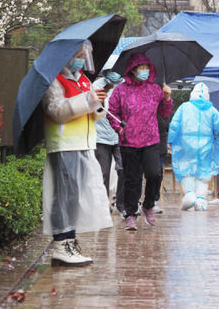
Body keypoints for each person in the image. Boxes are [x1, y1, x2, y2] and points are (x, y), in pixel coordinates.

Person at [41, 40, 113, 266]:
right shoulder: (54, 79)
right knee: (64, 194)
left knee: (75, 195)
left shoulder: (83, 80)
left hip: (84, 143)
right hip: (65, 143)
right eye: (78, 55)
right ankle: (60, 243)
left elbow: (94, 113)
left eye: (84, 56)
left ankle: (70, 240)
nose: (82, 60)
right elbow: (55, 110)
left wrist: (99, 102)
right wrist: (87, 100)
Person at [107, 52, 173, 231]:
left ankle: (148, 205)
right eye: (141, 68)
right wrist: (119, 129)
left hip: (150, 140)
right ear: (132, 70)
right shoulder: (121, 90)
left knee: (154, 174)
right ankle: (130, 214)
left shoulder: (155, 89)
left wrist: (167, 98)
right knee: (132, 179)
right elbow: (111, 112)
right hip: (128, 142)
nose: (144, 71)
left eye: (147, 68)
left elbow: (164, 113)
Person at [168, 82, 219, 211]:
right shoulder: (212, 110)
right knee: (204, 172)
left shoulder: (184, 107)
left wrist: (171, 141)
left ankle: (189, 195)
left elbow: (174, 125)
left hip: (185, 144)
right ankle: (200, 200)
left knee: (186, 170)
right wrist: (216, 135)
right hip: (206, 146)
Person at [92, 69, 124, 215]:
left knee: (123, 169)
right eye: (110, 70)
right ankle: (103, 204)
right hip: (100, 137)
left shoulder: (125, 85)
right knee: (103, 173)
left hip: (121, 135)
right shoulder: (96, 86)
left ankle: (121, 203)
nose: (113, 73)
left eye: (116, 70)